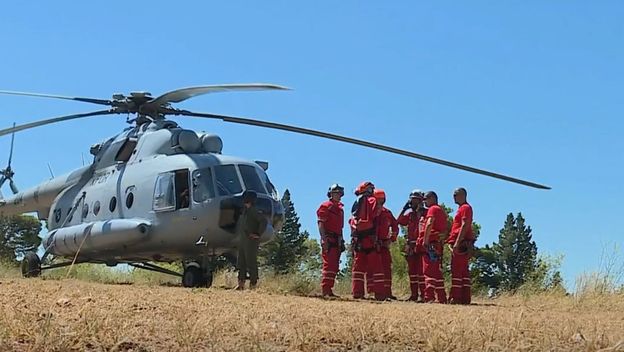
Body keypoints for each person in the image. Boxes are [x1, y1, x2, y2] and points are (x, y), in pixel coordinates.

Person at [350, 181, 384, 300]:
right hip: (370, 239)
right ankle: (379, 294)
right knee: (377, 268)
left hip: (359, 239)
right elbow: (376, 215)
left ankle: (357, 293)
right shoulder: (372, 201)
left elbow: (353, 219)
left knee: (358, 268)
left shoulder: (356, 202)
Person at [397, 190, 427, 301]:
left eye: (415, 200)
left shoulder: (426, 213)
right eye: (411, 199)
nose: (412, 202)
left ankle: (424, 295)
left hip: (422, 245)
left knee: (421, 272)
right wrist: (404, 209)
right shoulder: (410, 214)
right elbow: (398, 220)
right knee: (412, 272)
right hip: (411, 246)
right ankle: (414, 295)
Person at [316, 183, 345, 298]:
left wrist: (341, 240)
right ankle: (325, 289)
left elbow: (340, 227)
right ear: (331, 194)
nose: (338, 195)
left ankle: (330, 289)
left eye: (339, 193)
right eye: (335, 193)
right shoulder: (325, 206)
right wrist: (323, 238)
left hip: (337, 239)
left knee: (334, 266)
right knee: (329, 264)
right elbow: (321, 223)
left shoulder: (340, 209)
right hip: (329, 237)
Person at [447, 187, 475, 304]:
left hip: (461, 244)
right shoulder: (462, 208)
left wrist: (457, 243)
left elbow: (465, 225)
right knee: (463, 272)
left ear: (463, 195)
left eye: (456, 195)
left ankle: (456, 298)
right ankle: (464, 298)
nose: (453, 197)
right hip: (462, 242)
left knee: (458, 271)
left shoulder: (465, 208)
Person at [420, 191, 448, 303]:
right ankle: (441, 297)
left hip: (431, 244)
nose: (424, 201)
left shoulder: (433, 209)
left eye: (426, 199)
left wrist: (425, 241)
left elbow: (429, 223)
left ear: (432, 198)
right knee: (437, 272)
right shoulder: (441, 211)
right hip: (437, 245)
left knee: (429, 271)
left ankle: (429, 297)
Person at [371, 189, 399, 299]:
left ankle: (387, 292)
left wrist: (392, 238)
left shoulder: (387, 213)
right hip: (372, 244)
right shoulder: (370, 213)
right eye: (378, 199)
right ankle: (374, 292)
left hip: (384, 244)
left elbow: (395, 225)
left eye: (382, 200)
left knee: (386, 268)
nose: (380, 202)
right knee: (374, 269)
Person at [235, 190, 265, 290]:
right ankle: (241, 284)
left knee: (251, 262)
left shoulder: (254, 211)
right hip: (243, 240)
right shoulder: (244, 211)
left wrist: (257, 234)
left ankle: (253, 285)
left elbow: (263, 221)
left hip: (251, 241)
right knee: (241, 262)